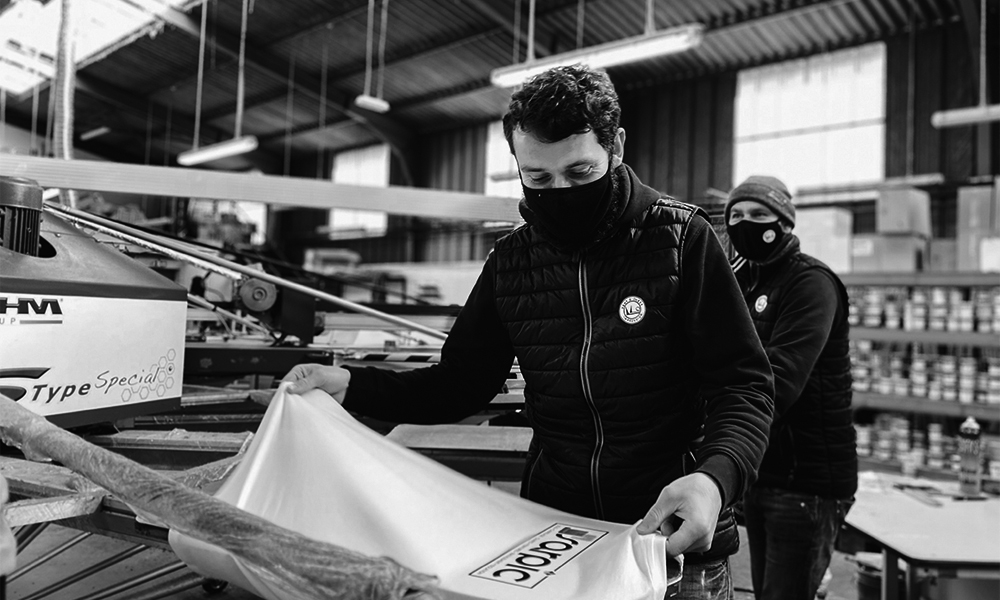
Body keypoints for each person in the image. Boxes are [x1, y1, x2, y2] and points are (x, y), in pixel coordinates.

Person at [285, 65, 774, 599]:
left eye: (580, 172)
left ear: (616, 147)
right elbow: (459, 383)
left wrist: (715, 479)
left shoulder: (680, 241)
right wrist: (352, 385)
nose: (559, 192)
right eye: (538, 179)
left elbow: (744, 385)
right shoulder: (512, 262)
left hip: (669, 540)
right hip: (558, 542)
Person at [725, 176, 857, 600]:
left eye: (758, 214)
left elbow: (780, 380)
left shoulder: (811, 283)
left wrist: (721, 434)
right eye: (735, 215)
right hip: (762, 470)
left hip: (806, 481)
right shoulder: (742, 280)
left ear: (783, 223)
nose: (745, 223)